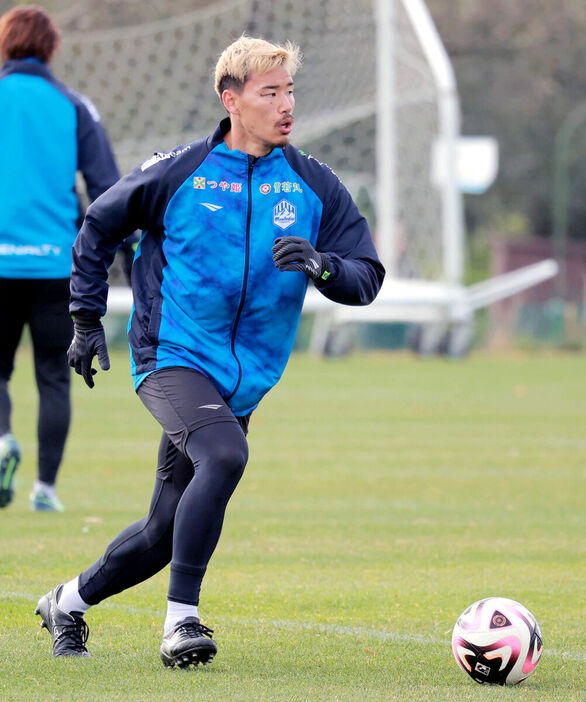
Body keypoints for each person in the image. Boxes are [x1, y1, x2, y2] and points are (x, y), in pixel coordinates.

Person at [35, 35, 385, 666]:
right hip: (170, 356)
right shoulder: (178, 172)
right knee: (225, 454)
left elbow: (366, 276)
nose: (286, 106)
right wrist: (86, 321)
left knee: (162, 534)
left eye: (290, 91)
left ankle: (66, 603)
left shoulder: (314, 185)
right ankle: (182, 624)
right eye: (270, 93)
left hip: (244, 381)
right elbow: (96, 227)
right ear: (232, 100)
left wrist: (322, 265)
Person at [0, 5, 128, 511]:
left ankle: (3, 439)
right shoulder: (73, 105)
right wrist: (125, 250)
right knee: (54, 375)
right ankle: (45, 490)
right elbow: (108, 190)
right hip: (57, 263)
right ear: (51, 48)